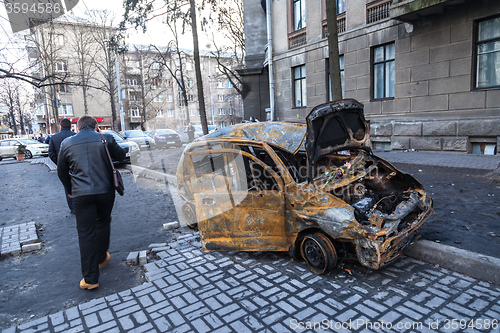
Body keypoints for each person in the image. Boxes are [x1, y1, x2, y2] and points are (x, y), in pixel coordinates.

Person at [57, 116, 126, 290]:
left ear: (78, 128)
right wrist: (104, 137)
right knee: (103, 221)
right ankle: (102, 257)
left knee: (86, 232)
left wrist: (70, 190)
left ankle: (90, 279)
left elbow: (61, 171)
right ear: (96, 126)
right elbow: (121, 155)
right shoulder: (106, 138)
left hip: (81, 195)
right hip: (105, 191)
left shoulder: (67, 143)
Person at [49, 118, 76, 213]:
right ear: (70, 126)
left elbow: (51, 154)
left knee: (67, 185)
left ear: (60, 126)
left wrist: (59, 163)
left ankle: (72, 207)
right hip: (75, 164)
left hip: (63, 167)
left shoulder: (54, 137)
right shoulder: (75, 136)